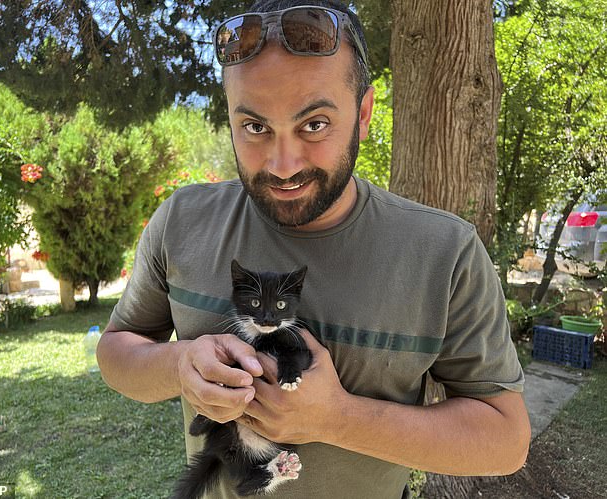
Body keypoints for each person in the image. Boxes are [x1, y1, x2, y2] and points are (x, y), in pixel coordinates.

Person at [96, 1, 531, 497]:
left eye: (315, 124)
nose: (283, 164)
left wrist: (338, 418)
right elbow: (116, 353)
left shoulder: (445, 253)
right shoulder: (183, 221)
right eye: (255, 127)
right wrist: (179, 365)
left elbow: (506, 441)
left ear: (363, 114)